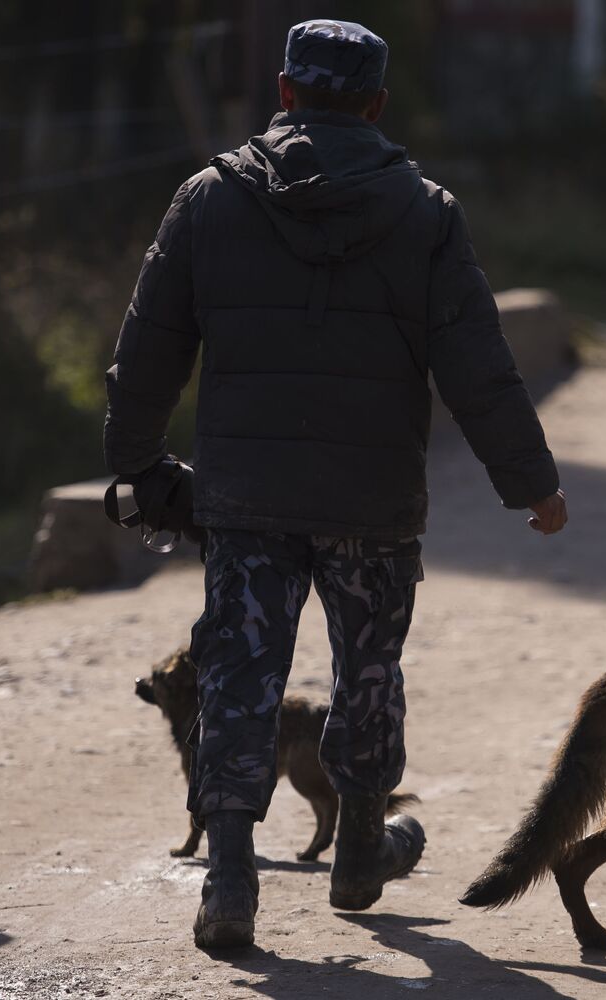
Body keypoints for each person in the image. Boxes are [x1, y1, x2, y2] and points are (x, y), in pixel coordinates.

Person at [103, 19, 568, 950]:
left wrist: (138, 463)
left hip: (244, 498)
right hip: (372, 503)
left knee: (238, 674)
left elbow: (147, 350)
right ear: (377, 104)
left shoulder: (208, 199)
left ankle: (229, 881)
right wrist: (532, 485)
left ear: (284, 91)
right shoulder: (426, 212)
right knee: (368, 672)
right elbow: (477, 364)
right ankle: (359, 853)